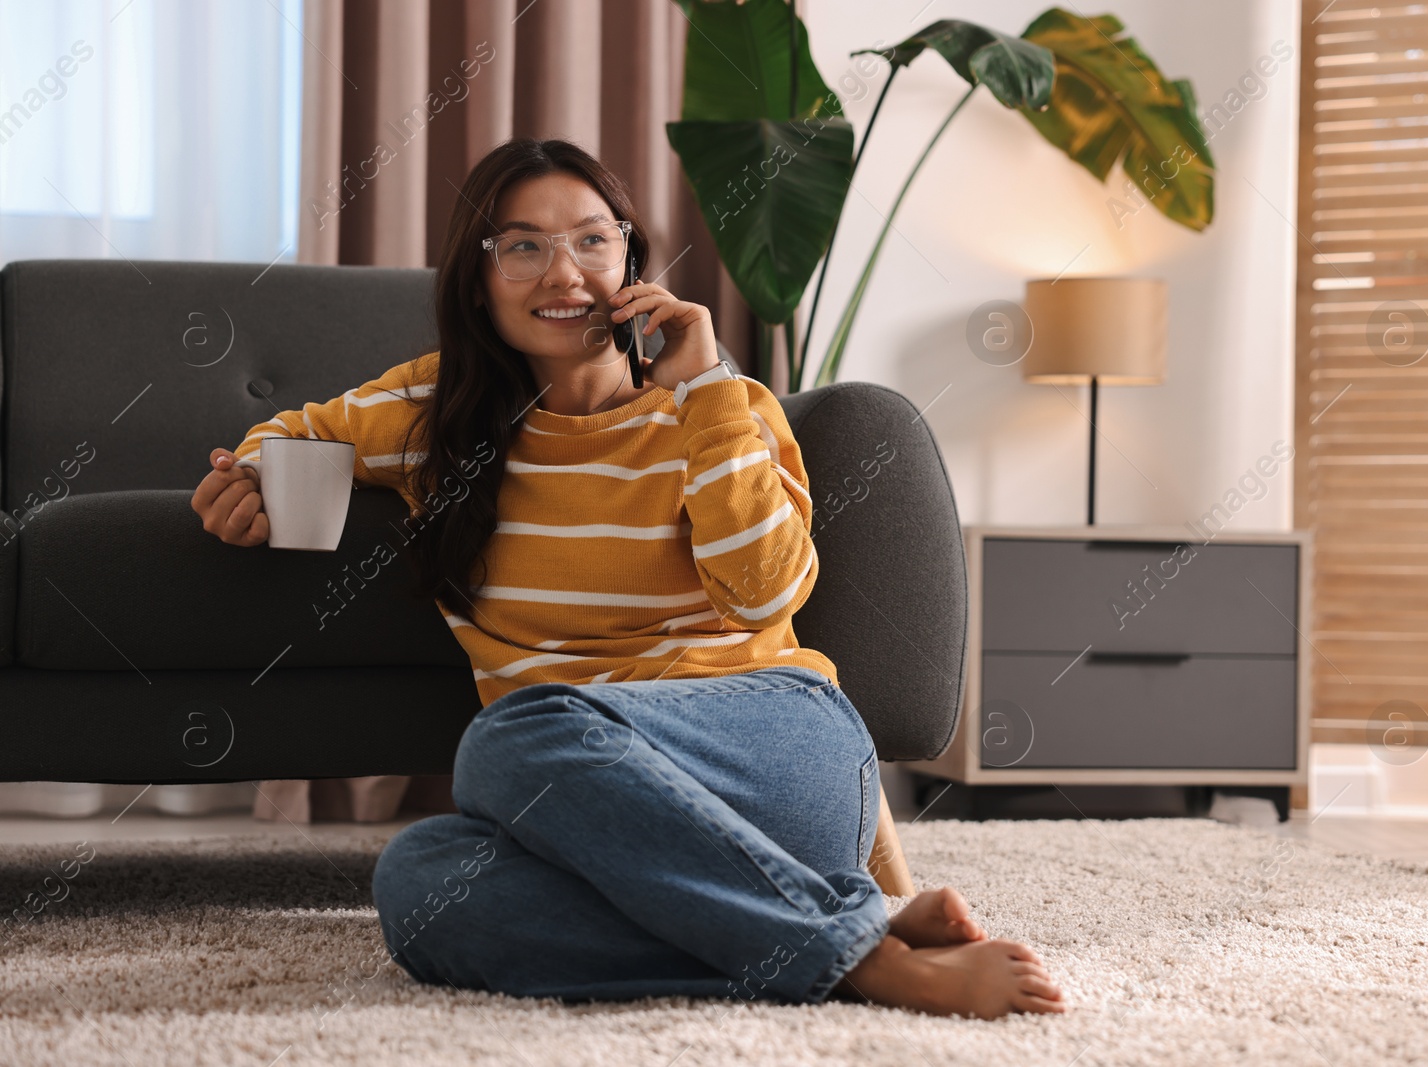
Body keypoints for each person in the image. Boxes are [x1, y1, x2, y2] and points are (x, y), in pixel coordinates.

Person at [189, 138, 1066, 1019]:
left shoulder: (726, 407)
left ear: (632, 263)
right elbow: (285, 437)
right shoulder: (431, 413)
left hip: (770, 745)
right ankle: (849, 938)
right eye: (523, 246)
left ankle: (876, 967)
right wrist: (241, 483)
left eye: (592, 242)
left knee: (505, 742)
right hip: (595, 804)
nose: (563, 273)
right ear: (478, 276)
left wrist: (706, 395)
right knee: (420, 883)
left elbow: (764, 596)